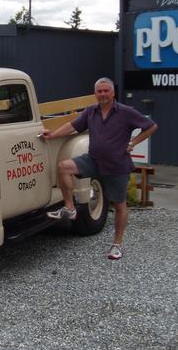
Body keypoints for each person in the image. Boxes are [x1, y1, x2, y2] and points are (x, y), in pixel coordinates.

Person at [41, 77, 158, 260]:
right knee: (64, 167)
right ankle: (70, 208)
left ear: (113, 93)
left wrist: (133, 142)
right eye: (99, 91)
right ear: (95, 93)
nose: (103, 94)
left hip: (117, 165)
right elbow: (72, 126)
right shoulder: (90, 112)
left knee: (119, 205)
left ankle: (117, 245)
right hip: (93, 160)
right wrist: (52, 135)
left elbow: (151, 126)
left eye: (106, 91)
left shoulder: (126, 112)